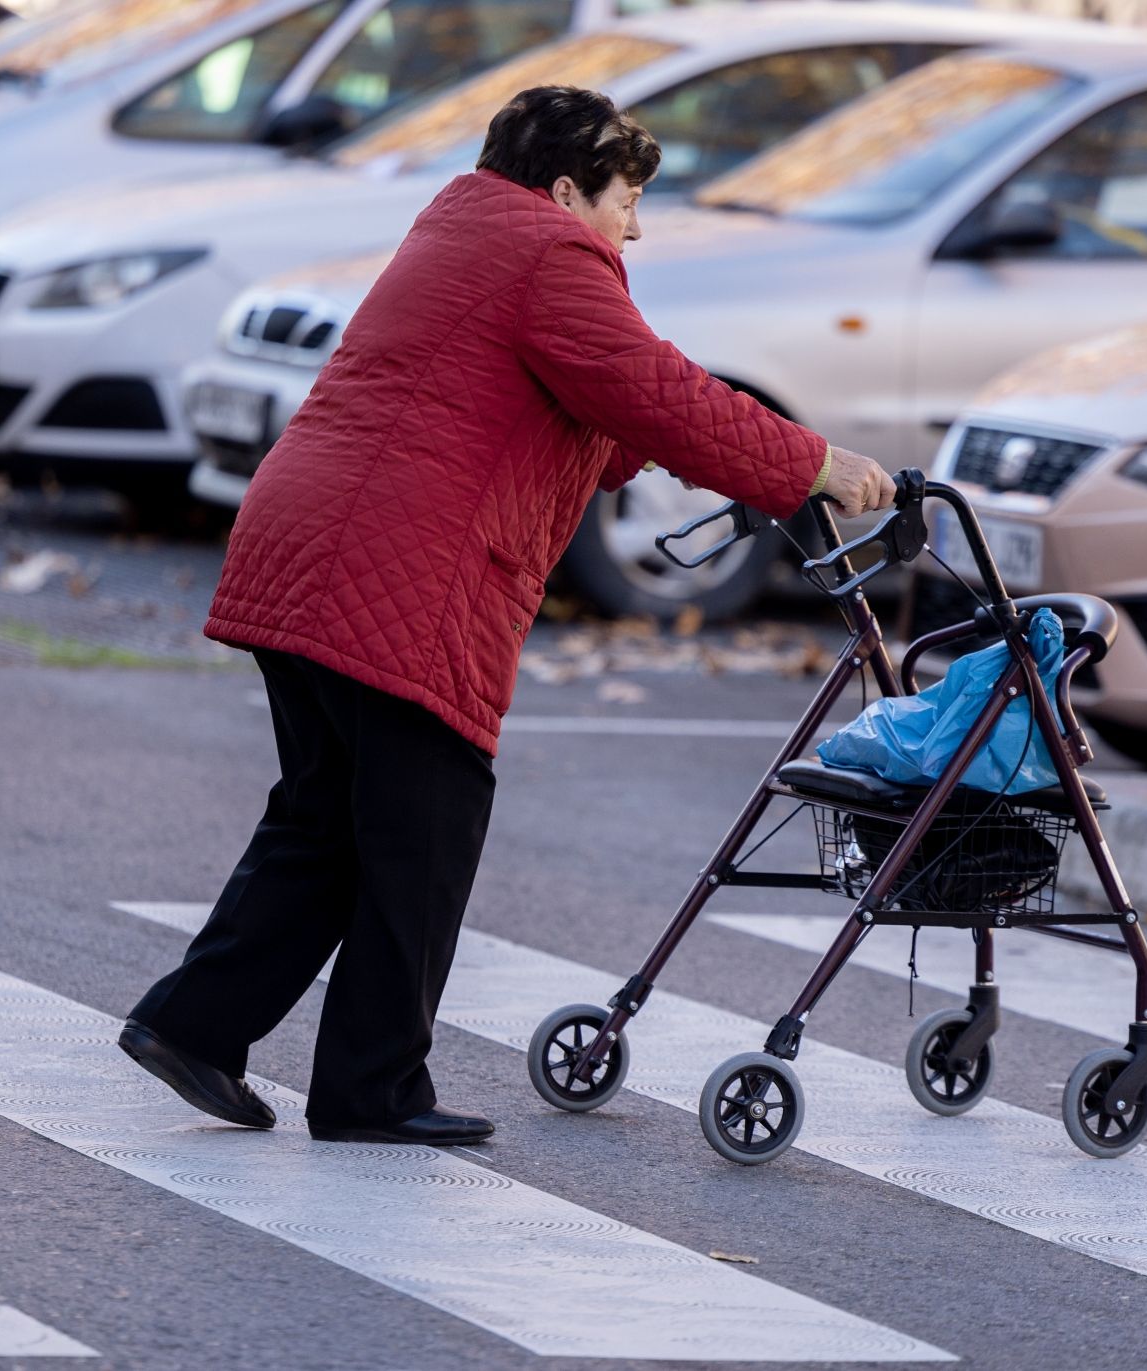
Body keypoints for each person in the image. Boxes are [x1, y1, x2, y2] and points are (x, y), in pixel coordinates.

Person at [119, 86, 895, 1146]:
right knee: (423, 830)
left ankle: (193, 1028)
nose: (636, 226)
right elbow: (653, 395)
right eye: (626, 201)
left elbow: (608, 412)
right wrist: (811, 464)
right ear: (567, 187)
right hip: (401, 564)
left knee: (327, 819)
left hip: (305, 539)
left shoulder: (464, 228)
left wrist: (702, 439)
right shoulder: (546, 253)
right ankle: (371, 1089)